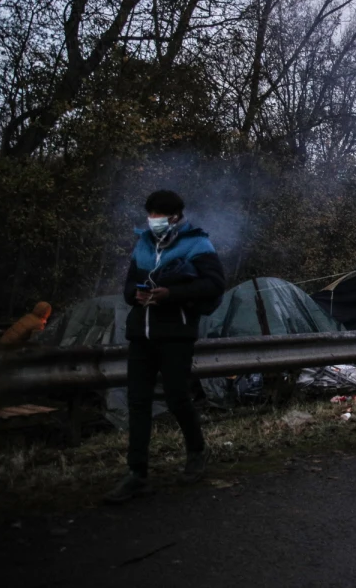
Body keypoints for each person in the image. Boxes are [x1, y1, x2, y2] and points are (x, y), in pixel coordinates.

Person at [104, 190, 226, 505]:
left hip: (176, 333)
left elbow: (214, 285)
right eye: (151, 215)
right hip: (141, 334)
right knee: (138, 402)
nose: (153, 221)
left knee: (176, 397)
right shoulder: (143, 244)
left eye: (158, 215)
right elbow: (129, 285)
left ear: (174, 216)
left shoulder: (198, 244)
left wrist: (169, 294)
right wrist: (138, 296)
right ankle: (137, 474)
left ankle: (196, 451)